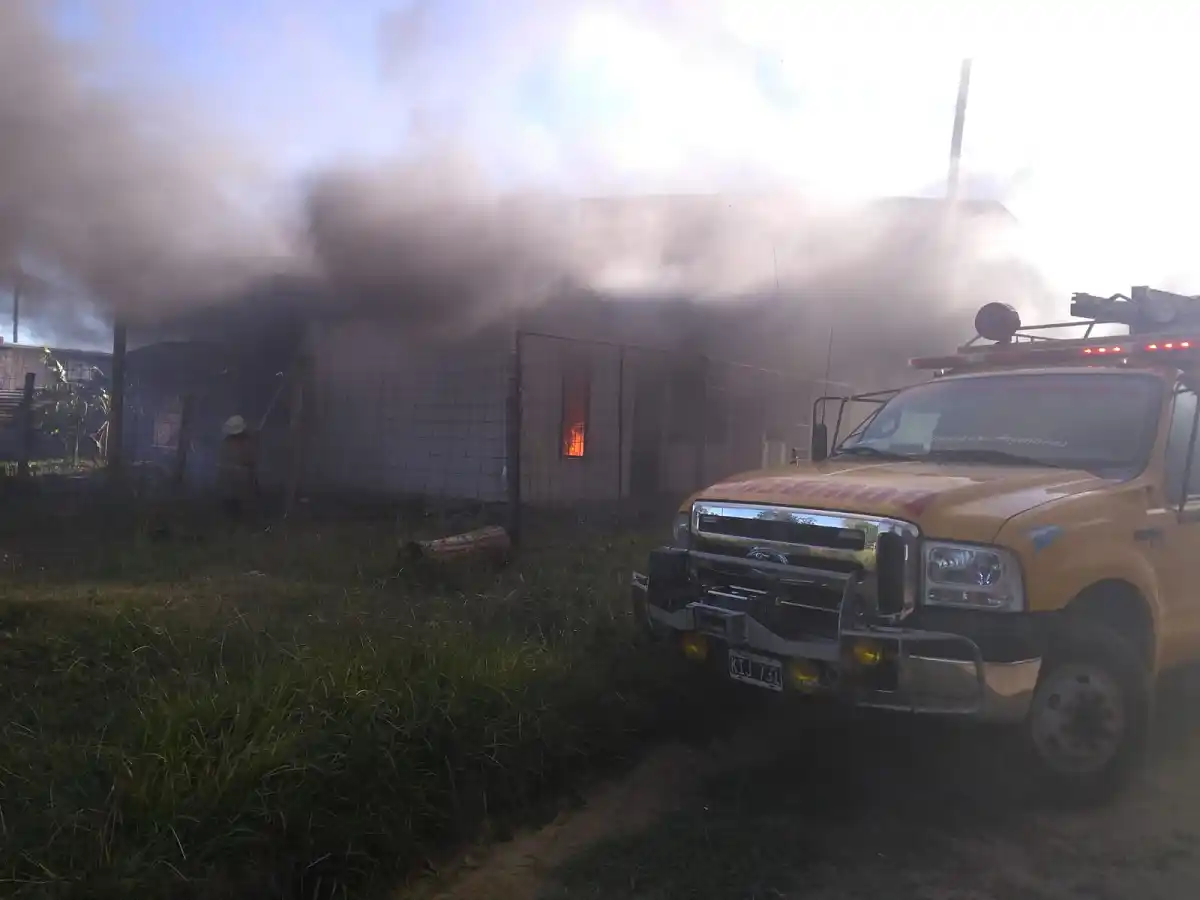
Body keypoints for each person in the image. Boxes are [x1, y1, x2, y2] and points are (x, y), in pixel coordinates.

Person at [217, 415, 258, 520]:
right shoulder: (227, 443)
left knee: (244, 506)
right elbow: (223, 460)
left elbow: (251, 460)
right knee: (229, 505)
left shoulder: (247, 442)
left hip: (243, 480)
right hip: (229, 481)